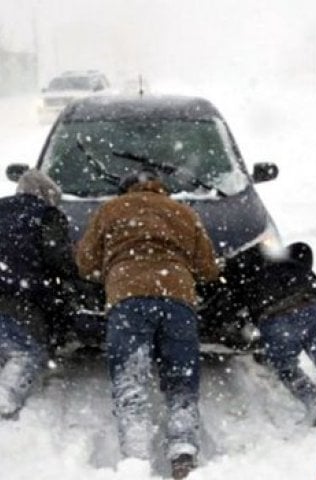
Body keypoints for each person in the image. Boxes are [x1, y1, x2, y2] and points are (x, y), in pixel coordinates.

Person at [76, 170, 219, 479]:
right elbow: (208, 267)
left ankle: (136, 457)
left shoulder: (110, 210)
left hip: (127, 297)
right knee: (181, 379)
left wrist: (112, 269)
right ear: (160, 188)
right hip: (177, 296)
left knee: (131, 381)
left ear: (125, 189)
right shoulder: (183, 212)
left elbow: (85, 261)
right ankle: (183, 451)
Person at [224, 242, 316, 426]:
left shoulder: (240, 272)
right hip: (310, 303)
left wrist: (257, 342)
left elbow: (233, 313)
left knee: (285, 368)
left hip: (274, 316)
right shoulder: (291, 261)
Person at [0, 169, 77, 419]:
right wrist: (73, 276)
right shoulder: (47, 215)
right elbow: (58, 257)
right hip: (17, 292)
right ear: (47, 195)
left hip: (8, 285)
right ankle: (5, 398)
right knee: (26, 351)